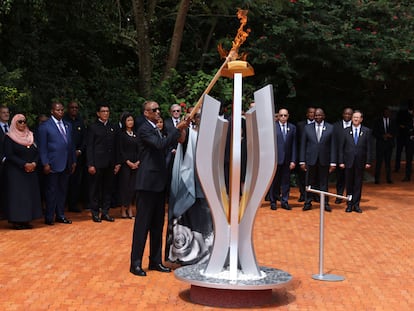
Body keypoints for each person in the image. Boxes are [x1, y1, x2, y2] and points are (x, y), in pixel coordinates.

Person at [130, 100, 189, 277]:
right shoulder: (144, 129)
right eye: (153, 110)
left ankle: (155, 261)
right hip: (147, 184)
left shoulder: (156, 128)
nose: (157, 112)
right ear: (146, 113)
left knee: (157, 224)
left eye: (158, 109)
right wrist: (177, 128)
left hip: (159, 183)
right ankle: (136, 263)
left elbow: (175, 140)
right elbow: (160, 145)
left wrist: (181, 129)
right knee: (142, 225)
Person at [165, 113, 214, 265]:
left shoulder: (212, 137)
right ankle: (186, 256)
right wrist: (183, 126)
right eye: (199, 119)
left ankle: (205, 254)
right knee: (187, 219)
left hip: (207, 187)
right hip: (190, 186)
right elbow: (181, 138)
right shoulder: (191, 135)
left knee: (204, 222)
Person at [38, 102, 77, 225]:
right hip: (52, 163)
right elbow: (42, 147)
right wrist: (45, 163)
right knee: (51, 191)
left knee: (62, 190)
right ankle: (49, 217)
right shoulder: (45, 126)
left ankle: (60, 215)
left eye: (61, 110)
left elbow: (70, 145)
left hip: (66, 163)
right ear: (52, 111)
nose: (60, 112)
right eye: (57, 110)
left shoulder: (67, 125)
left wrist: (73, 160)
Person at [4, 114, 42, 229]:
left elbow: (37, 151)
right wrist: (24, 164)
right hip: (16, 172)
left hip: (30, 171)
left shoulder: (31, 135)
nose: (22, 124)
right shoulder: (9, 137)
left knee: (28, 196)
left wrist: (34, 163)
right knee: (18, 197)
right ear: (14, 123)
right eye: (19, 122)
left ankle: (26, 219)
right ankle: (16, 221)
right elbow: (9, 154)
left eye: (24, 122)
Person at [86, 104, 120, 222]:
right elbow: (89, 147)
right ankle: (95, 212)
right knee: (95, 189)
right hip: (97, 163)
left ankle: (105, 212)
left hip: (110, 163)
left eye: (107, 111)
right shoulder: (93, 127)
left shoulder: (113, 127)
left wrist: (117, 163)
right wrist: (90, 164)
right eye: (103, 111)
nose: (106, 113)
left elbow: (116, 146)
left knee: (108, 189)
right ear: (98, 113)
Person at [300, 108, 336, 212]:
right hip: (310, 159)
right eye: (316, 115)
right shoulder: (307, 128)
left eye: (319, 115)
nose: (317, 117)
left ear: (323, 116)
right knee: (309, 182)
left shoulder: (330, 128)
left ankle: (325, 203)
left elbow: (333, 146)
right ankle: (308, 202)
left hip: (324, 159)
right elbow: (303, 145)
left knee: (324, 182)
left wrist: (333, 162)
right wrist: (302, 161)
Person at [338, 110, 372, 213]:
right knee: (349, 184)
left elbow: (369, 148)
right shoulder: (345, 131)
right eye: (354, 117)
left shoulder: (366, 131)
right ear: (352, 119)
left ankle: (356, 205)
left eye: (358, 117)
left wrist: (368, 161)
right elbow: (341, 148)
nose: (356, 119)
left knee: (358, 184)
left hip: (360, 162)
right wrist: (341, 161)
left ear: (361, 119)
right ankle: (349, 204)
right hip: (348, 161)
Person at [269, 108, 296, 210]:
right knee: (274, 181)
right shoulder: (273, 127)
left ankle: (284, 201)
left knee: (286, 182)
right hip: (276, 160)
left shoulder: (292, 128)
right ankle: (273, 201)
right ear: (278, 116)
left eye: (285, 115)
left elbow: (294, 145)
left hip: (287, 160)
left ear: (288, 116)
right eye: (281, 115)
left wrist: (293, 160)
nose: (283, 117)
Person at [64, 101, 87, 212]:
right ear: (68, 109)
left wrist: (80, 150)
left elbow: (84, 138)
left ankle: (73, 204)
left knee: (76, 181)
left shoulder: (80, 121)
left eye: (76, 107)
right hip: (66, 156)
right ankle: (62, 204)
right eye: (72, 107)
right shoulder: (64, 121)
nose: (74, 109)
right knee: (64, 181)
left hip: (78, 156)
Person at [116, 112, 140, 219]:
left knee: (133, 187)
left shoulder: (136, 133)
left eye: (132, 120)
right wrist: (128, 162)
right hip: (126, 163)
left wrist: (138, 162)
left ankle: (130, 207)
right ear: (124, 122)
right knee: (125, 186)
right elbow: (120, 150)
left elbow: (140, 148)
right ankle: (123, 208)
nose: (130, 122)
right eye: (128, 120)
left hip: (136, 162)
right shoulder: (121, 135)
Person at [295, 107, 315, 203]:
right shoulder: (300, 125)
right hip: (303, 154)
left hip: (314, 155)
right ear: (307, 114)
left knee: (314, 177)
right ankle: (303, 194)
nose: (312, 114)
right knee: (302, 177)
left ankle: (314, 195)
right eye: (310, 112)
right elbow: (297, 141)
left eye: (314, 112)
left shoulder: (319, 125)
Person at [333, 107, 353, 204]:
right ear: (343, 114)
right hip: (339, 156)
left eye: (349, 114)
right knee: (340, 178)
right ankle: (339, 196)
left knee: (350, 179)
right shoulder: (336, 126)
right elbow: (334, 143)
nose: (347, 116)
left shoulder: (355, 126)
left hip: (351, 158)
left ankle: (349, 197)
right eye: (346, 113)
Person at [373, 107, 396, 184]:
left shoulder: (393, 121)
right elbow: (374, 132)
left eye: (388, 112)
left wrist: (391, 135)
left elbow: (396, 132)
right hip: (380, 144)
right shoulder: (377, 121)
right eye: (385, 112)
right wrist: (382, 136)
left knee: (388, 162)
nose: (387, 113)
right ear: (383, 113)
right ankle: (377, 179)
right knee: (379, 162)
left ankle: (388, 178)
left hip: (389, 144)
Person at [395, 99, 413, 173]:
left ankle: (408, 168)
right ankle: (397, 167)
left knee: (409, 153)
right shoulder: (401, 113)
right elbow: (398, 123)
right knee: (399, 151)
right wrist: (406, 127)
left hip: (410, 137)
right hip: (402, 136)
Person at [0, 105, 10, 219]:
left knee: (9, 188)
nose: (6, 114)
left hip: (12, 164)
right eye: (3, 112)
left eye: (7, 112)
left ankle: (8, 211)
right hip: (1, 163)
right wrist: (3, 158)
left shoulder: (13, 127)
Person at [402, 105, 414, 181]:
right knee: (408, 160)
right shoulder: (408, 120)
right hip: (409, 143)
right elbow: (405, 129)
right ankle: (407, 176)